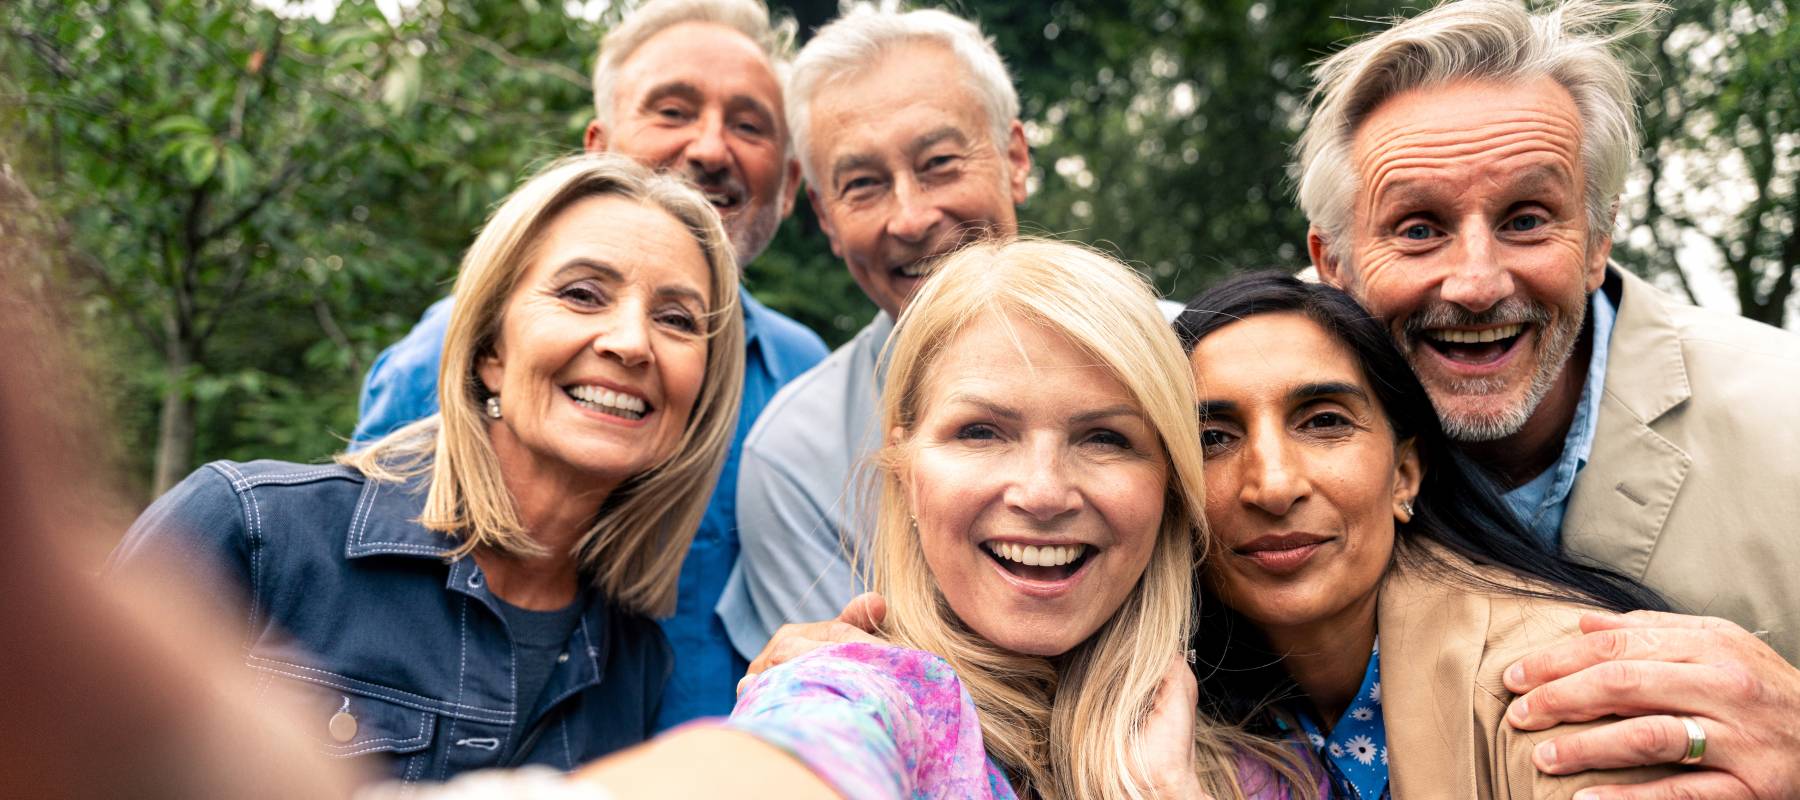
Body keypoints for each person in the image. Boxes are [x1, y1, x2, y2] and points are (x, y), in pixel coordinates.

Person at [563, 239, 1313, 800]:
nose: (1043, 491)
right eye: (981, 432)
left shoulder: (1274, 771)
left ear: (1171, 488)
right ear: (905, 467)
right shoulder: (862, 698)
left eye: (1106, 438)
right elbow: (787, 762)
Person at [106, 154, 745, 784]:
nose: (632, 342)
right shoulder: (250, 534)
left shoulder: (633, 663)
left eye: (676, 320)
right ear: (490, 349)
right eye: (582, 295)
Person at [1292, 0, 1800, 790]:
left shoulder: (1788, 418)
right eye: (1419, 228)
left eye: (1527, 220)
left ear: (1598, 240)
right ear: (1335, 263)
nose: (1476, 284)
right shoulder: (1231, 406)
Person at [351, 0, 829, 729]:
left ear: (790, 181)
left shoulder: (808, 376)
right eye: (672, 109)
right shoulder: (454, 352)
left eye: (749, 124)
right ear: (597, 151)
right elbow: (361, 609)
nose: (709, 148)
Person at [727, 5, 1179, 658]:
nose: (910, 217)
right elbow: (854, 697)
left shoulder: (1187, 356)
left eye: (939, 162)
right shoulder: (795, 457)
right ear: (825, 218)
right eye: (863, 185)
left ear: (1014, 159)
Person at [1178, 272, 1679, 798]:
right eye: (1213, 438)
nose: (1274, 485)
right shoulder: (1164, 706)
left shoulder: (1550, 692)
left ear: (1404, 474)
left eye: (1324, 422)